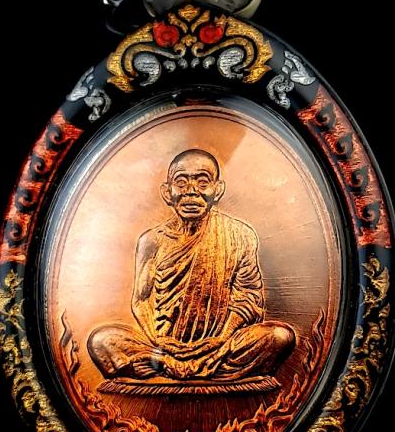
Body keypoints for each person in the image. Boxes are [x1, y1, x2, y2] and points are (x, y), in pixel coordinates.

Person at [88, 149, 295, 381]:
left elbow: (248, 298)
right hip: (162, 345)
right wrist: (158, 341)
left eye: (202, 182)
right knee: (102, 341)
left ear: (218, 189)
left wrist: (221, 338)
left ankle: (168, 369)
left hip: (221, 344)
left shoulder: (240, 235)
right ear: (167, 192)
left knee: (279, 337)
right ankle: (179, 365)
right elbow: (141, 300)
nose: (191, 192)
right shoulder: (151, 241)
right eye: (181, 182)